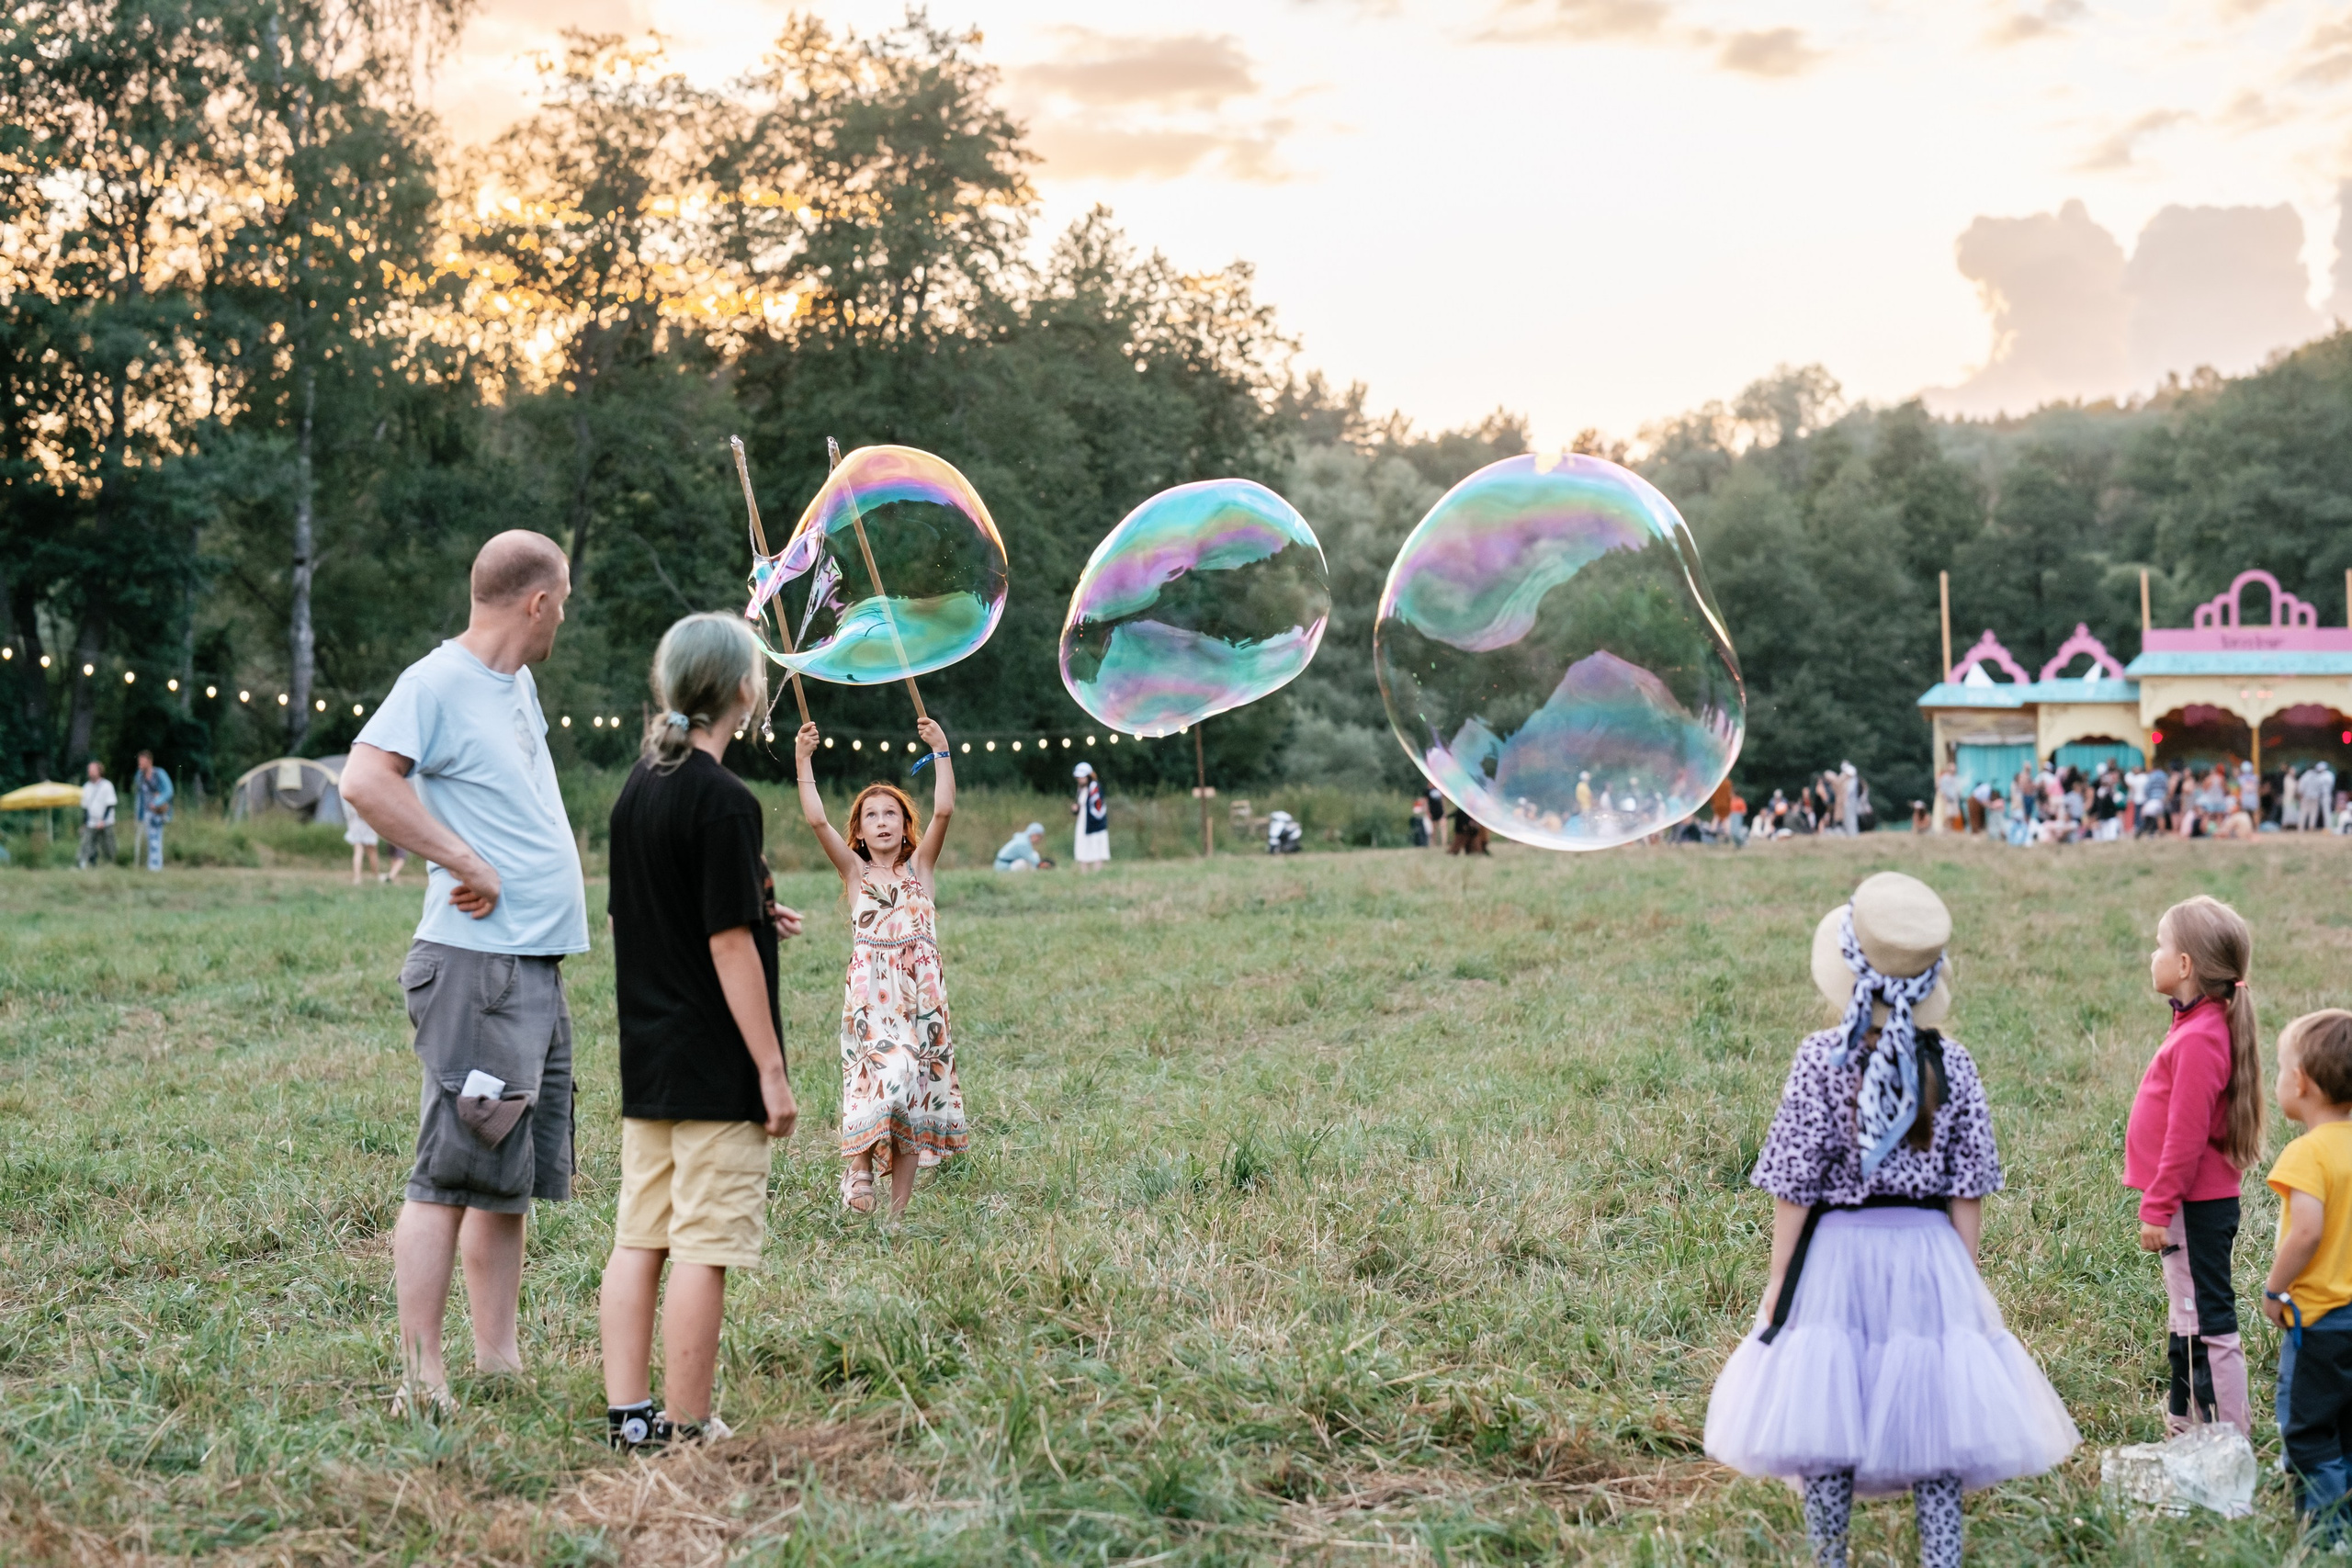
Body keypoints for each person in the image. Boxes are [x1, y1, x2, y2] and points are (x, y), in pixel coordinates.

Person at [1703, 872, 2077, 1566]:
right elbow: (1970, 1184)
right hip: (1928, 1249)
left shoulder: (1822, 1058)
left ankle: (1830, 1555)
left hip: (1837, 1252)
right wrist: (1964, 1277)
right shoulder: (1955, 1064)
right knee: (1937, 1409)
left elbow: (1795, 1178)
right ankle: (1941, 1556)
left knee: (1825, 1402)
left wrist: (1780, 1277)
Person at [339, 530, 587, 1417]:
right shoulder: (435, 681)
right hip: (476, 966)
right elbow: (365, 782)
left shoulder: (517, 684)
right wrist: (464, 860)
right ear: (538, 600)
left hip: (529, 966)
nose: (566, 612)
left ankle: (498, 1359)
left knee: (504, 1173)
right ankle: (421, 1374)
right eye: (564, 598)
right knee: (450, 1169)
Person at [600, 613, 802, 1453]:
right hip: (715, 1064)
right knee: (703, 1248)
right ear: (747, 692)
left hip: (649, 1060)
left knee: (639, 1237)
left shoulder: (637, 787)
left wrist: (754, 910)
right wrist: (772, 1069)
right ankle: (688, 1422)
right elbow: (723, 945)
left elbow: (654, 916)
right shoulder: (726, 801)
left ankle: (630, 1416)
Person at [794, 716, 966, 1218]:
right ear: (861, 832)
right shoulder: (855, 872)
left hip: (921, 1000)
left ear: (904, 825)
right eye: (873, 816)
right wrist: (804, 760)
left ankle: (896, 1216)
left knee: (910, 1092)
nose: (884, 821)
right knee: (881, 1080)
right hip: (872, 1000)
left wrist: (942, 751)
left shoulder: (921, 869)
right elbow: (817, 822)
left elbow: (945, 809)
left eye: (892, 813)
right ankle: (860, 1168)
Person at [2126, 896, 2261, 1435]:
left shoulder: (2203, 1036)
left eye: (2160, 946)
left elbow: (2184, 1138)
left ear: (2184, 966)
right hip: (2193, 1203)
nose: (2152, 956)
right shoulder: (2198, 1024)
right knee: (2188, 1317)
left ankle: (2230, 1440)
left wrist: (2156, 1208)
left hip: (2192, 1205)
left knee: (2208, 1323)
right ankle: (2186, 1427)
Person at [2261, 1009, 2352, 1544]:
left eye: (2279, 1069)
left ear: (2300, 1083)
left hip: (2317, 1320)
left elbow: (2306, 1234)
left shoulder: (2306, 1153)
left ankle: (2327, 1533)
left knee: (2308, 1427)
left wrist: (2275, 1288)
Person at [131, 750, 174, 871]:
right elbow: (139, 795)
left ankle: (155, 866)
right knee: (150, 838)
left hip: (158, 811)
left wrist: (157, 802)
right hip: (145, 811)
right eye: (139, 761)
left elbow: (169, 790)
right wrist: (138, 814)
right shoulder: (139, 776)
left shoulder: (159, 774)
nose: (140, 764)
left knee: (155, 837)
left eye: (142, 761)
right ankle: (151, 864)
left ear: (150, 761)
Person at [76, 759, 117, 869]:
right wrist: (84, 823)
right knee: (87, 843)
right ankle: (85, 863)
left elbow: (110, 804)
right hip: (91, 821)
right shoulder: (86, 787)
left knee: (108, 844)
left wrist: (103, 820)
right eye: (89, 770)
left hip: (105, 821)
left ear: (99, 771)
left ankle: (111, 863)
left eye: (92, 770)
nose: (90, 772)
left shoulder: (107, 785)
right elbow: (85, 808)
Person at [1071, 761, 1109, 872]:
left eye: (1082, 777)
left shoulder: (1094, 788)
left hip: (1094, 824)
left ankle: (1097, 871)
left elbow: (1098, 808)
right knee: (1082, 845)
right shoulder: (1081, 789)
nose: (1079, 780)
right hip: (1083, 823)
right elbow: (1080, 805)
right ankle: (1084, 871)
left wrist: (1095, 823)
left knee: (1096, 847)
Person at [346, 803, 381, 885]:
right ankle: (376, 875)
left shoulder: (353, 792)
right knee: (372, 852)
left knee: (358, 852)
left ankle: (357, 878)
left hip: (356, 825)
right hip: (368, 824)